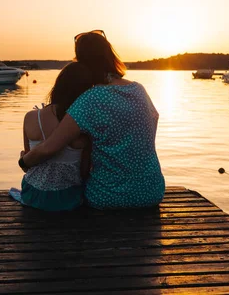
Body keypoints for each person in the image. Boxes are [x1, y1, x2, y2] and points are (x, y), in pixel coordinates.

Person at [19, 30, 165, 209]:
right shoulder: (139, 90)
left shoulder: (91, 99)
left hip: (107, 197)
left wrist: (24, 161)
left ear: (82, 62)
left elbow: (51, 147)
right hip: (152, 192)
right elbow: (151, 129)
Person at [10, 62, 94, 211]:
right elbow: (84, 172)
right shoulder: (84, 124)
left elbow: (28, 165)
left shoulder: (31, 117)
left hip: (33, 196)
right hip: (69, 199)